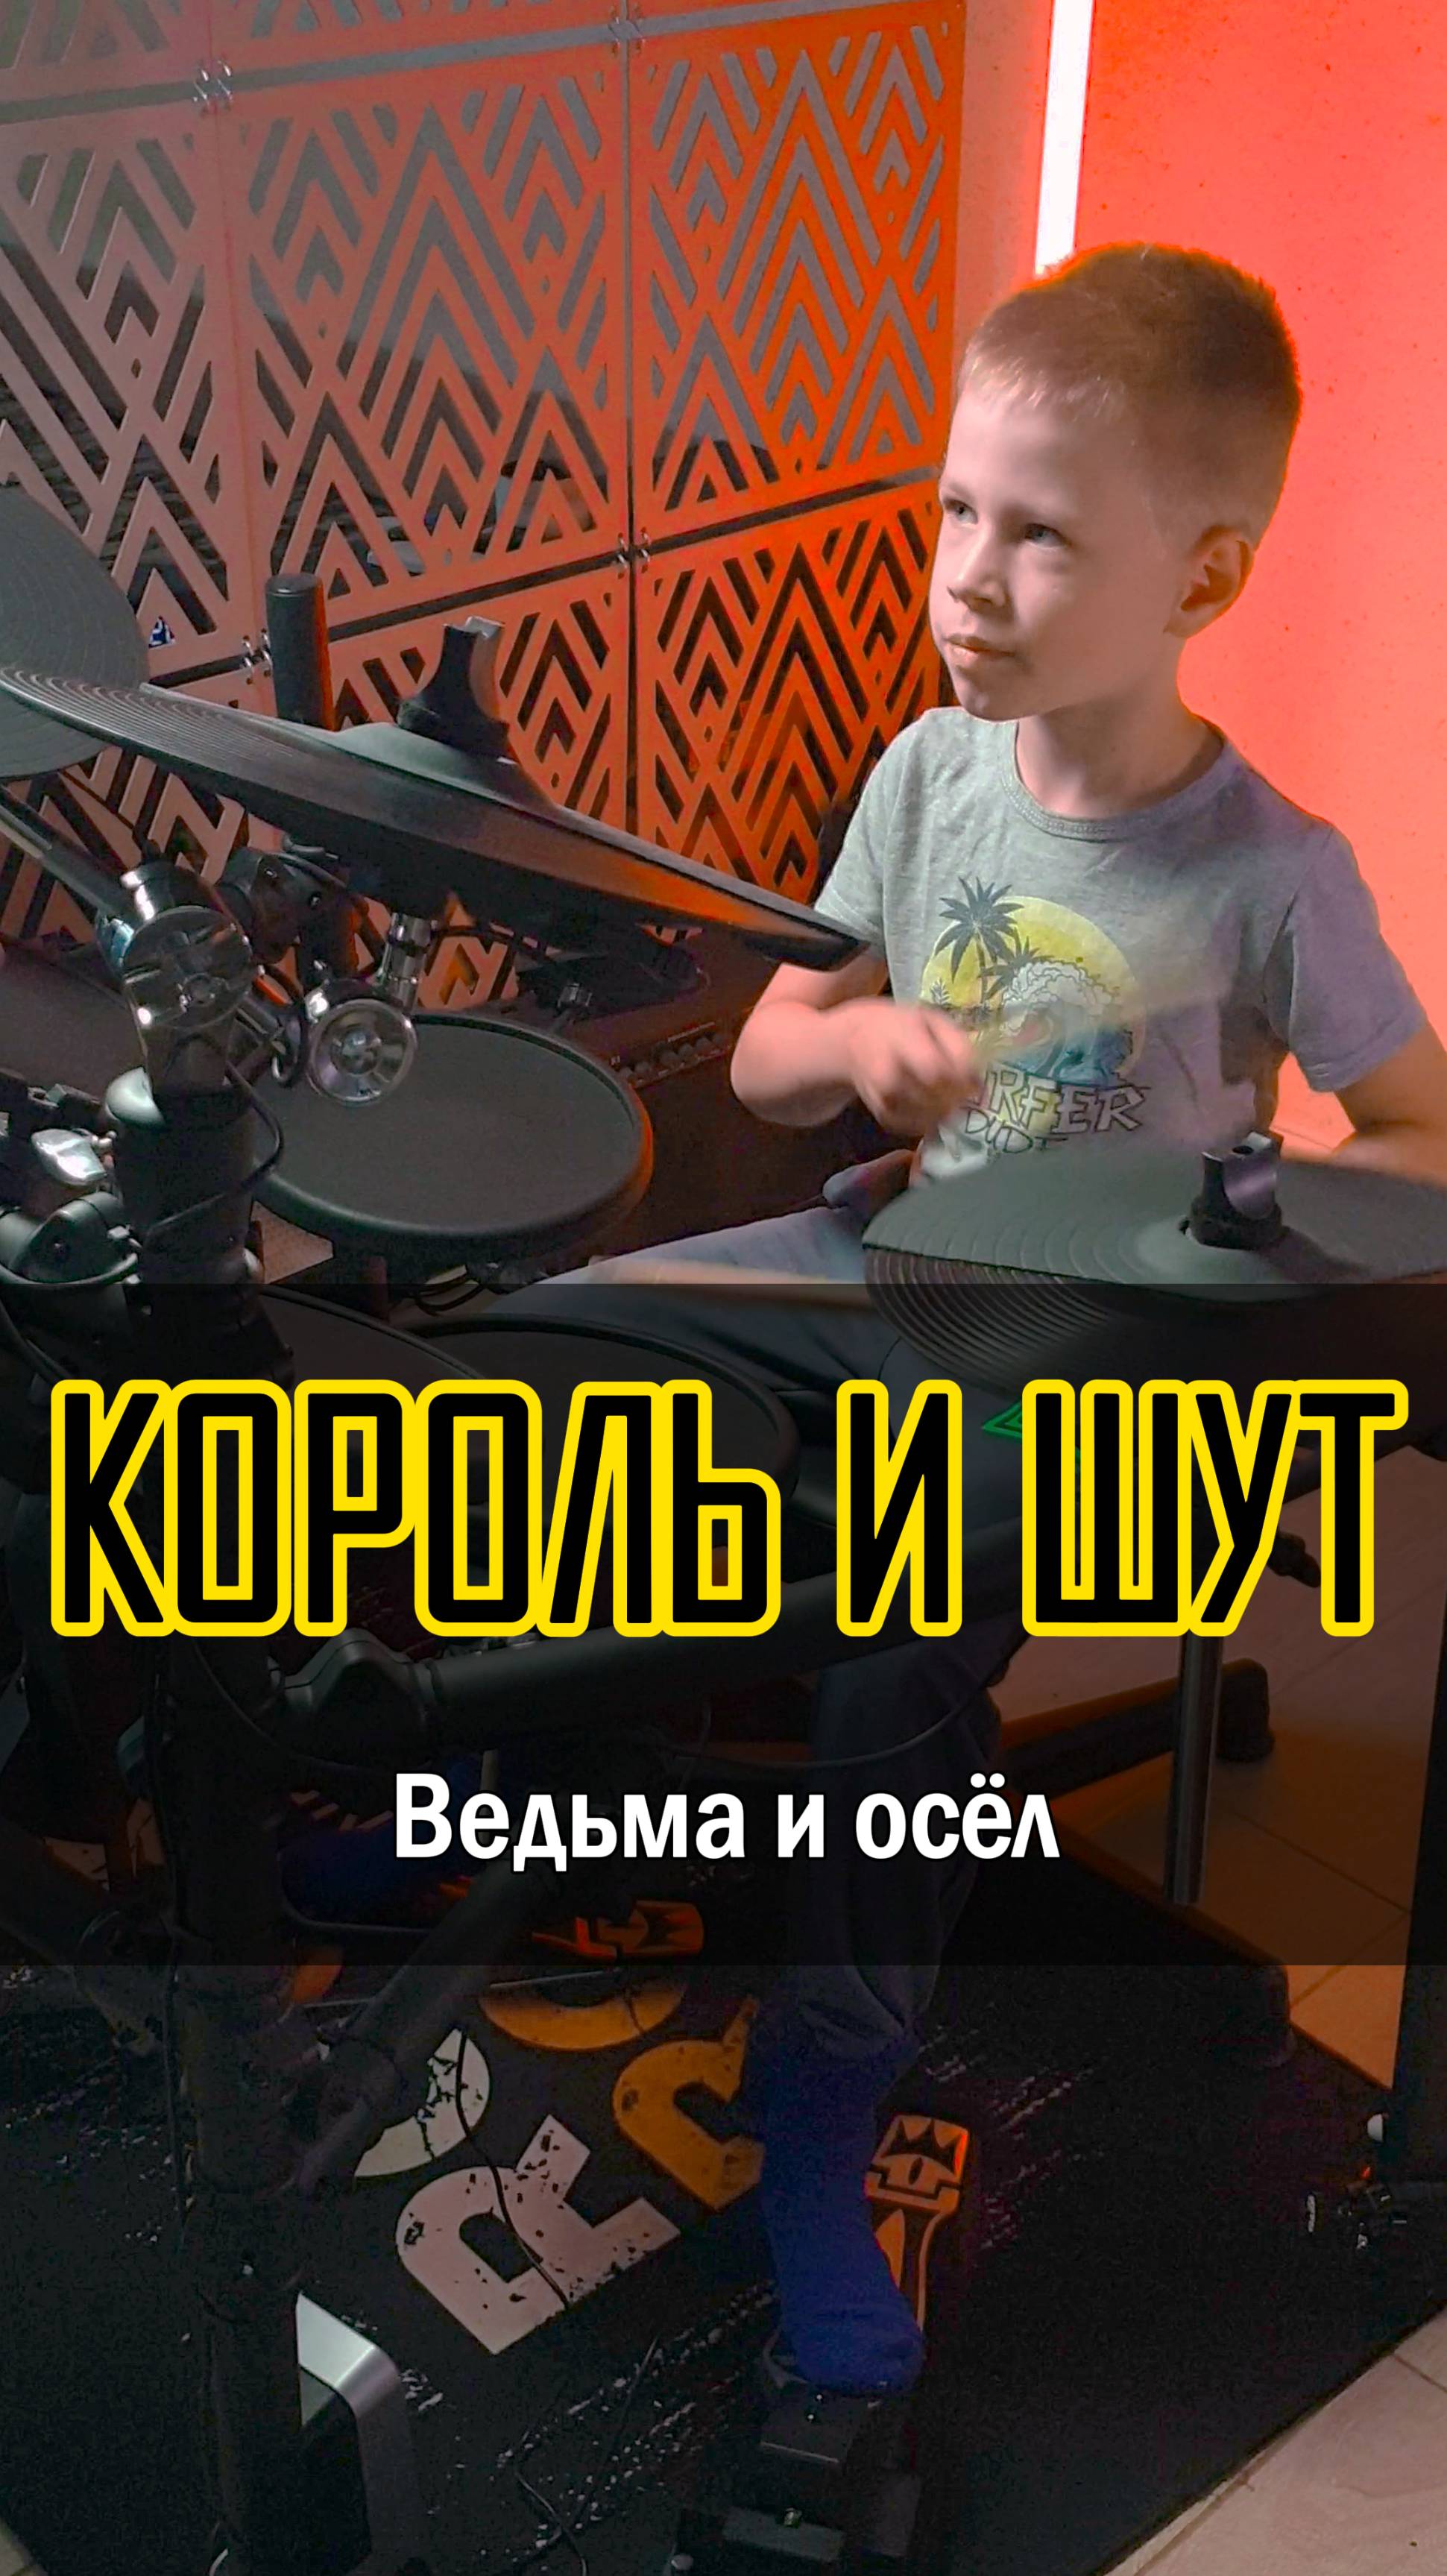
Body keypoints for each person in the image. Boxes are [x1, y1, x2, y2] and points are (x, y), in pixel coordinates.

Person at [499, 242, 1447, 2396]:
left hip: (1108, 1382)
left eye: (1041, 536)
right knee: (538, 1357)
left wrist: (1238, 1217)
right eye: (955, 513)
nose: (967, 578)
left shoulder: (1274, 873)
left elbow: (1421, 1137)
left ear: (1204, 578)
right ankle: (513, 1793)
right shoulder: (930, 774)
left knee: (893, 1636)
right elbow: (769, 1054)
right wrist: (860, 1048)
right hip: (890, 1267)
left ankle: (830, 2087)